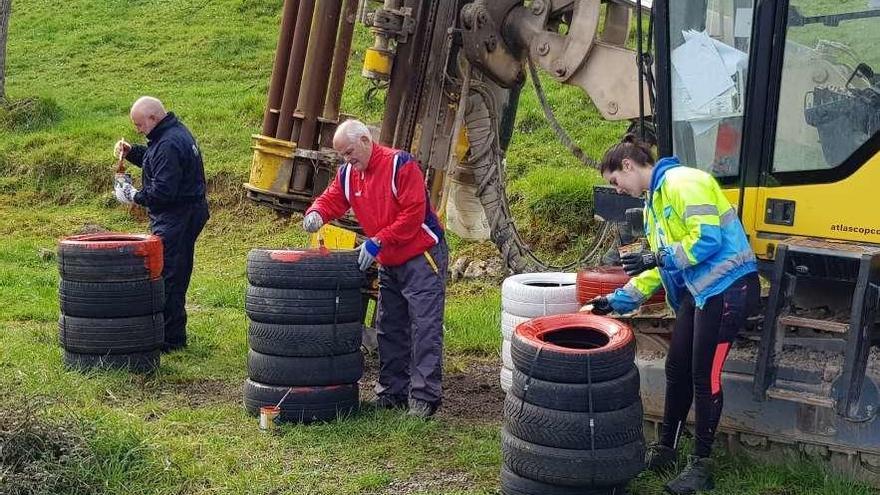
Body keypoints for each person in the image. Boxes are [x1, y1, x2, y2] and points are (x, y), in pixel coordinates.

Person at [588, 135, 759, 494]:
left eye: (615, 181)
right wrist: (615, 300)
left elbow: (707, 239)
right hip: (700, 293)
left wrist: (659, 256)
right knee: (676, 367)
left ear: (628, 165)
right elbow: (660, 269)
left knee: (703, 374)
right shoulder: (654, 203)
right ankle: (667, 448)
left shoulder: (685, 183)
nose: (617, 190)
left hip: (728, 288)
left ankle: (702, 465)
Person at [302, 119, 447, 419]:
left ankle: (424, 398)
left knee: (424, 326)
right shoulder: (349, 175)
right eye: (342, 155)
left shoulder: (400, 165)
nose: (347, 159)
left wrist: (377, 241)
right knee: (389, 327)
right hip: (389, 258)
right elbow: (332, 199)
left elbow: (412, 214)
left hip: (421, 254)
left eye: (350, 152)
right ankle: (392, 392)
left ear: (366, 140)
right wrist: (316, 212)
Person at [113, 96, 209, 352]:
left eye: (140, 124)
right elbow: (156, 160)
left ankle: (171, 340)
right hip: (185, 213)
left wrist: (133, 195)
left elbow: (162, 192)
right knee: (172, 272)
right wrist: (132, 152)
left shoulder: (168, 143)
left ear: (154, 118)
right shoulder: (171, 133)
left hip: (177, 217)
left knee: (169, 276)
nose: (138, 129)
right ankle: (171, 334)